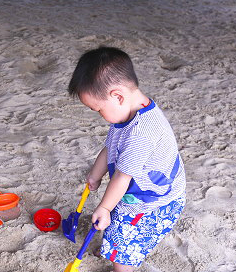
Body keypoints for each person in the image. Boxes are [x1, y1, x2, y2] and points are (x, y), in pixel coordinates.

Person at [67, 47, 186, 272]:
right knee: (115, 223)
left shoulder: (140, 134)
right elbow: (111, 146)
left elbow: (122, 177)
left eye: (99, 110)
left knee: (125, 248)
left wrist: (103, 207)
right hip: (140, 190)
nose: (100, 115)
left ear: (118, 96)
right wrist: (96, 173)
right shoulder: (128, 113)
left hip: (153, 202)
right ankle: (113, 246)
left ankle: (120, 264)